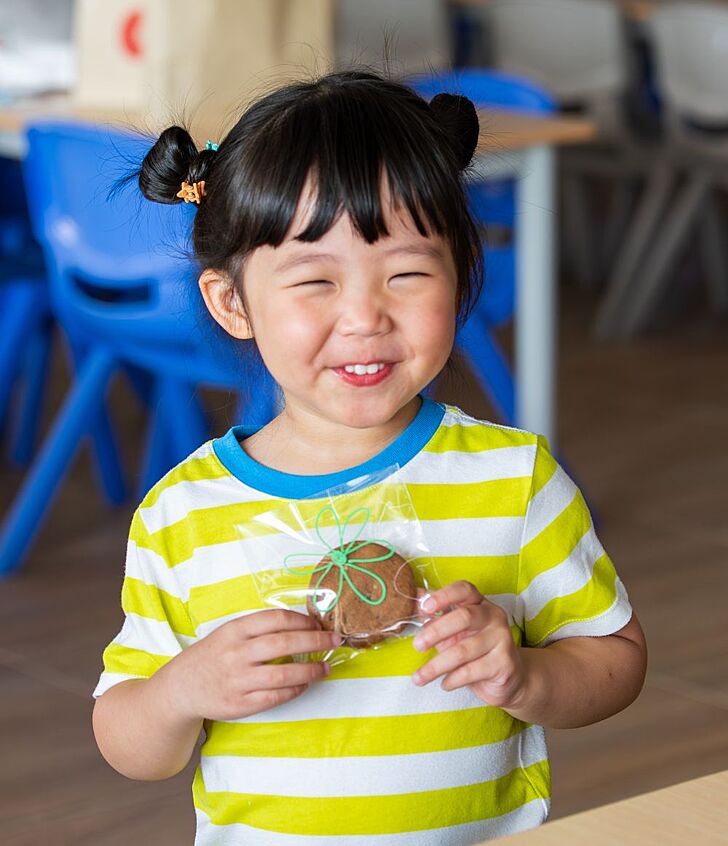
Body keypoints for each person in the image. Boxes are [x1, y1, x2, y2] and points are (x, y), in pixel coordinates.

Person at [92, 69, 647, 845]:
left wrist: (527, 676)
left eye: (409, 273)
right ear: (232, 303)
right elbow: (126, 739)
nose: (363, 318)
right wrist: (183, 692)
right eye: (315, 281)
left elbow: (616, 661)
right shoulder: (182, 515)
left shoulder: (513, 481)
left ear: (460, 277)